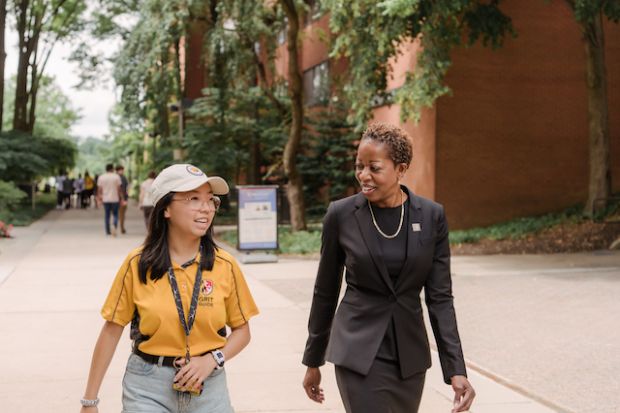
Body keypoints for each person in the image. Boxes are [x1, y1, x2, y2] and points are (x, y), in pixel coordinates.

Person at [302, 123, 475, 413]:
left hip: (408, 356)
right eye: (359, 166)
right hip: (357, 350)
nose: (363, 176)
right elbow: (325, 291)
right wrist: (313, 360)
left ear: (401, 168)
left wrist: (455, 368)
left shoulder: (432, 217)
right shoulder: (341, 215)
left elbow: (440, 298)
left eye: (374, 168)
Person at [80, 163, 259, 413]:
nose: (206, 208)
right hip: (146, 387)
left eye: (210, 200)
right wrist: (90, 401)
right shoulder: (137, 264)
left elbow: (242, 331)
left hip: (209, 386)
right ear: (165, 208)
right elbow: (112, 329)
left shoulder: (224, 265)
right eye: (194, 199)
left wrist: (212, 360)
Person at [97, 164, 122, 236]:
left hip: (106, 199)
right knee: (115, 214)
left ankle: (108, 231)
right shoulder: (116, 176)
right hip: (115, 199)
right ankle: (114, 225)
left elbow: (99, 189)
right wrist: (121, 198)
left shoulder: (101, 177)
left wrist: (99, 198)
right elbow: (119, 189)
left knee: (107, 215)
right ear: (112, 169)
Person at [116, 165, 130, 234]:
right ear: (118, 170)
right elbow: (122, 189)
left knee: (121, 214)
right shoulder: (120, 178)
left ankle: (121, 227)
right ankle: (121, 228)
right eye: (121, 170)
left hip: (121, 198)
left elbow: (127, 187)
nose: (122, 171)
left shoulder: (122, 177)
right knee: (121, 214)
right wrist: (123, 198)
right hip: (121, 198)